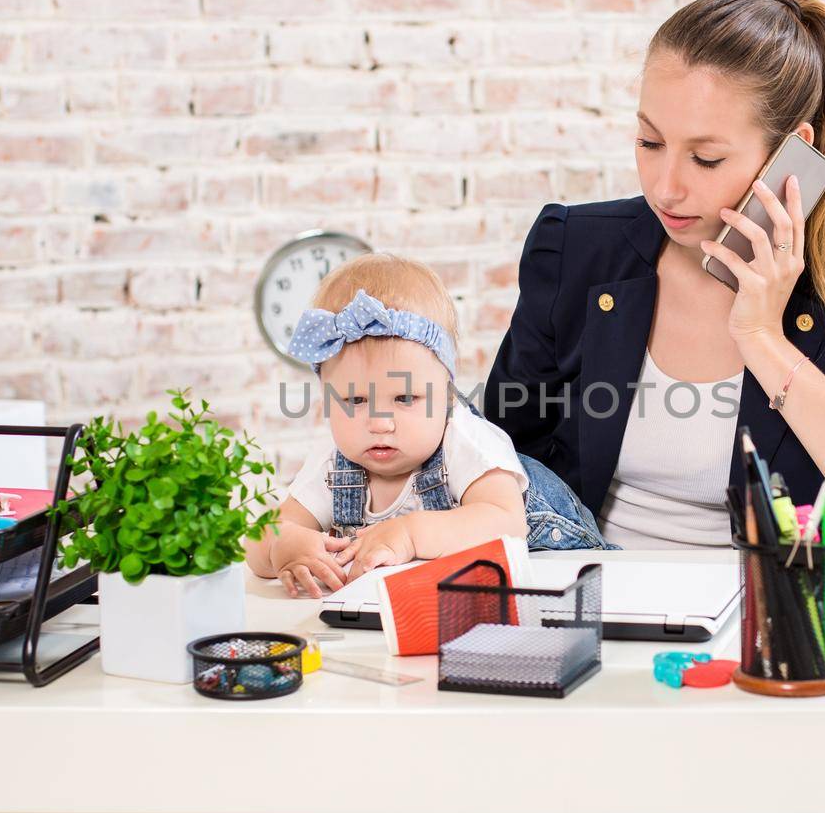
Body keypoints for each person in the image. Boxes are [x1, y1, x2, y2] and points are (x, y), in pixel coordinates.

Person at [483, 0, 825, 550]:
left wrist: (763, 339)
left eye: (706, 158)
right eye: (649, 141)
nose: (666, 187)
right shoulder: (575, 251)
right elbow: (493, 458)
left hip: (771, 618)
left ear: (790, 154)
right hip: (597, 603)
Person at [248, 254, 605, 598]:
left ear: (448, 396)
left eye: (405, 399)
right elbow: (256, 544)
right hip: (431, 603)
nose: (380, 423)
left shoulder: (463, 442)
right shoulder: (333, 464)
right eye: (354, 401)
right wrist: (285, 545)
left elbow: (506, 525)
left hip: (560, 578)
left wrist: (409, 534)